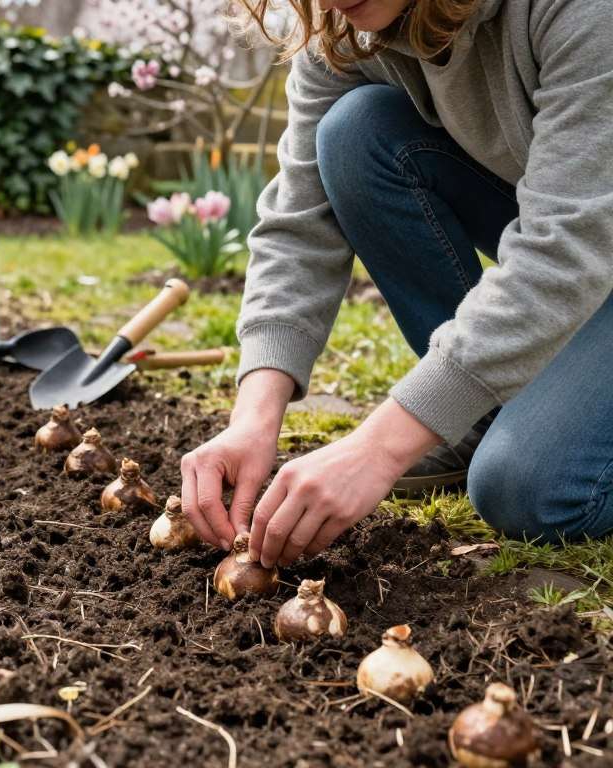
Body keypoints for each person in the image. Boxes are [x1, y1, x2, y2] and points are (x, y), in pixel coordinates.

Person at [180, 0, 613, 569]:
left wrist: (378, 448)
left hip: (584, 236)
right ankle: (478, 413)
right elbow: (299, 222)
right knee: (355, 131)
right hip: (578, 234)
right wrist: (253, 419)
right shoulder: (343, 28)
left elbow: (567, 245)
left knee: (529, 491)